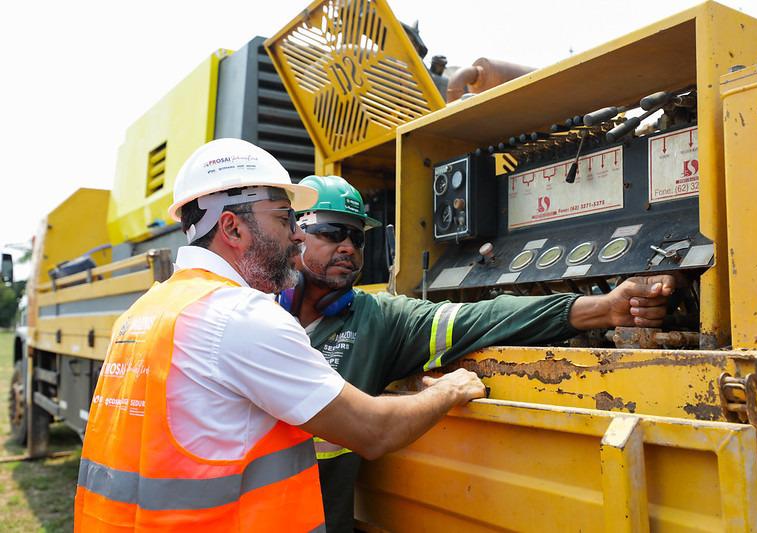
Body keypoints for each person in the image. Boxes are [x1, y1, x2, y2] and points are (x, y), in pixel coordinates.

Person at [73, 139, 485, 532]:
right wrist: (448, 390)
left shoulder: (146, 310)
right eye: (283, 218)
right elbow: (373, 432)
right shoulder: (238, 316)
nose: (297, 235)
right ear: (232, 228)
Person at [279, 174, 678, 533]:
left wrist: (604, 309)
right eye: (333, 233)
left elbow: (483, 317)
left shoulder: (374, 320)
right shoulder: (252, 315)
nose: (348, 247)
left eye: (358, 237)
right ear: (294, 235)